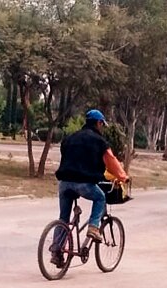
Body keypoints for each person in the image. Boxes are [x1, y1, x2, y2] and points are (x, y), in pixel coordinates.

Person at [53, 109, 129, 263]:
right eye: (102, 125)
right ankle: (93, 227)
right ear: (99, 123)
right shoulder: (99, 141)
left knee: (64, 218)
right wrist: (123, 177)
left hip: (64, 182)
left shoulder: (70, 138)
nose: (102, 128)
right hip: (84, 183)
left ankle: (57, 250)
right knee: (100, 198)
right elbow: (111, 161)